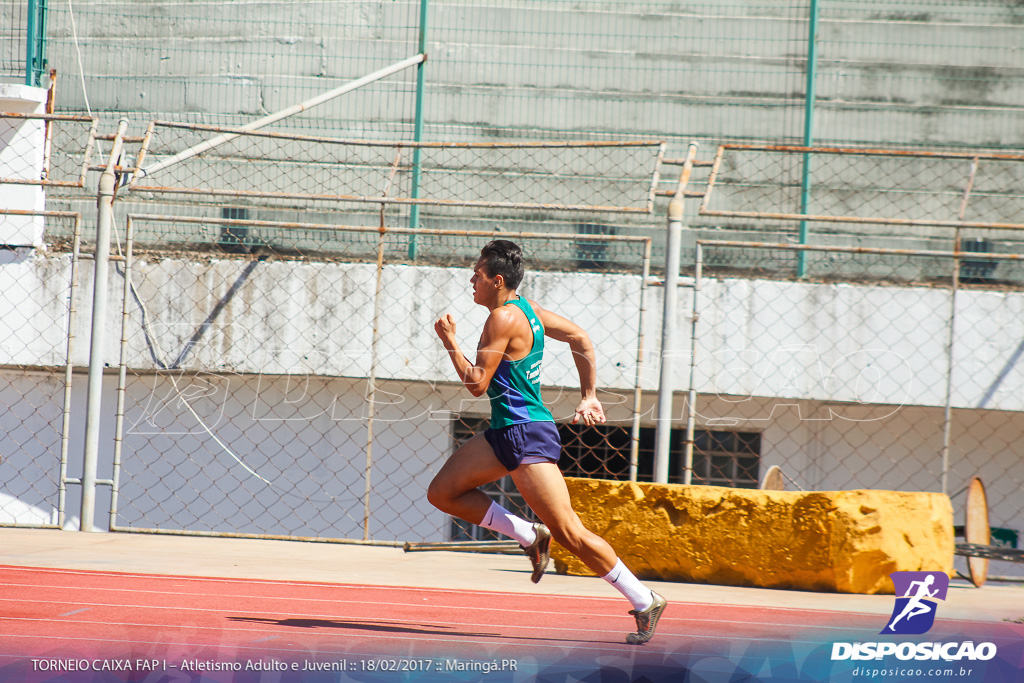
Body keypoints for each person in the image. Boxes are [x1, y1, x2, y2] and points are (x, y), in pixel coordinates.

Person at [429, 239, 667, 645]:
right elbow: (580, 337)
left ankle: (644, 598)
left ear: (497, 280)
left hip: (526, 435)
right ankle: (528, 534)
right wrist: (588, 394)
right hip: (506, 432)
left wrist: (449, 339)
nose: (471, 279)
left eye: (477, 273)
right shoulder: (529, 309)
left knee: (570, 533)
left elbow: (476, 384)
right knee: (443, 492)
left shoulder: (502, 318)